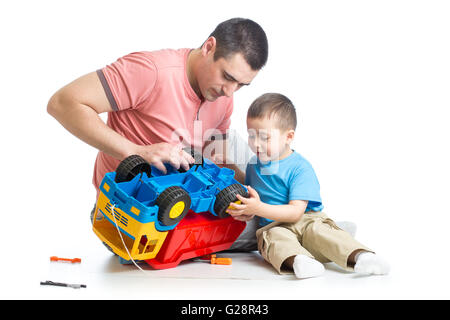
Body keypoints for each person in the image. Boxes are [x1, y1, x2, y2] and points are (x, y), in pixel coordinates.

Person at [47, 18, 269, 200]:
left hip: (184, 200)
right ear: (209, 48)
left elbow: (215, 157)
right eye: (227, 77)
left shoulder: (223, 97)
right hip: (128, 209)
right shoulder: (150, 71)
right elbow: (63, 103)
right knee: (266, 232)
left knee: (266, 213)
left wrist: (250, 187)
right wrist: (136, 151)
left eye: (241, 85)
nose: (230, 92)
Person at [221, 93, 390, 278]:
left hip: (306, 219)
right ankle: (300, 261)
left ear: (288, 136)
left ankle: (361, 256)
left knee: (320, 232)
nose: (256, 144)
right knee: (275, 240)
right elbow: (254, 194)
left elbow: (295, 213)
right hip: (272, 226)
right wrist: (250, 209)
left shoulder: (299, 167)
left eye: (264, 138)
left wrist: (259, 208)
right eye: (251, 136)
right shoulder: (254, 165)